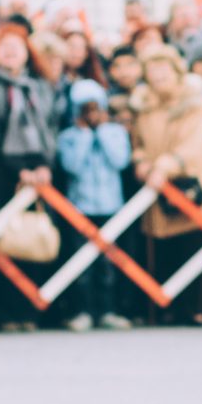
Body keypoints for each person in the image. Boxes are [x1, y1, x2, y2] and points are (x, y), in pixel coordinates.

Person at [0, 24, 62, 332]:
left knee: (35, 238)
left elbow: (51, 127)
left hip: (39, 173)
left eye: (15, 47)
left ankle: (30, 310)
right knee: (2, 241)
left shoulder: (41, 86)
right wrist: (18, 168)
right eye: (3, 47)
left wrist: (44, 165)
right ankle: (0, 311)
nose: (9, 52)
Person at [126, 47, 202, 326]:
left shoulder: (192, 103)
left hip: (189, 180)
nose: (159, 76)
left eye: (164, 70)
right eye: (153, 72)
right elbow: (138, 141)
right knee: (162, 245)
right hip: (156, 184)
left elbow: (193, 145)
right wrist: (141, 162)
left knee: (191, 244)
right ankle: (165, 306)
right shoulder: (144, 105)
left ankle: (193, 309)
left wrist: (163, 167)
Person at [54, 81, 135, 331]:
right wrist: (86, 136)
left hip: (110, 205)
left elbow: (120, 160)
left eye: (95, 108)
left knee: (108, 263)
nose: (91, 114)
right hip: (81, 206)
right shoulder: (69, 137)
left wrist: (101, 131)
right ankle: (83, 310)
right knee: (82, 263)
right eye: (85, 109)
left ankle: (108, 309)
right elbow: (72, 166)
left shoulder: (115, 132)